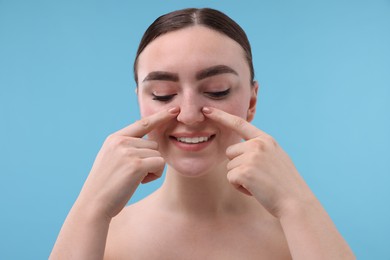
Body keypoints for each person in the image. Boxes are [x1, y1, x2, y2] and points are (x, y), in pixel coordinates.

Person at [50, 8, 355, 259]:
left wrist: (296, 201)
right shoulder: (99, 236)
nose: (190, 115)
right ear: (141, 101)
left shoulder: (302, 234)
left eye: (216, 91)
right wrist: (89, 207)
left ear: (251, 101)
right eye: (162, 94)